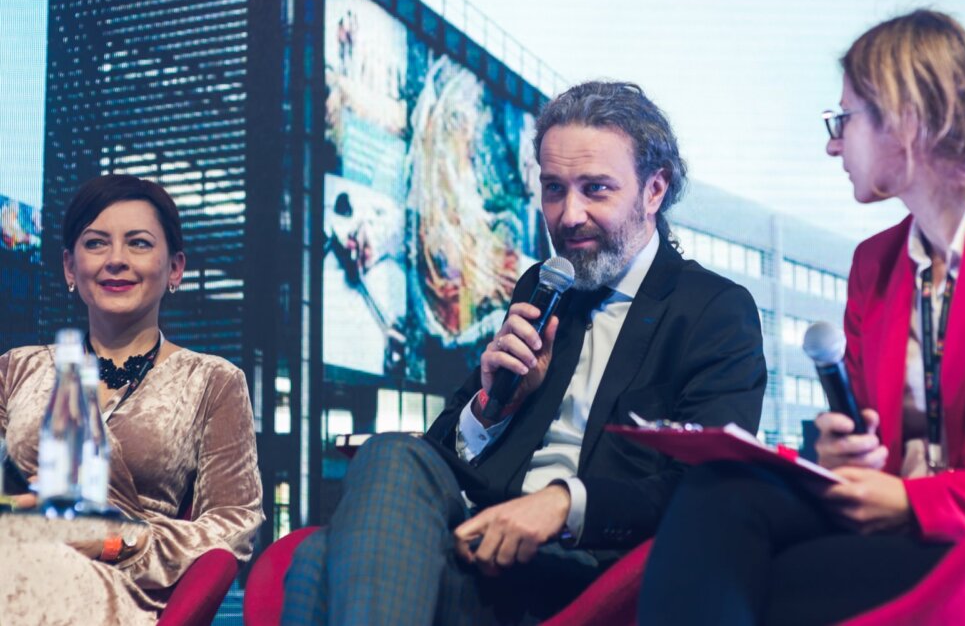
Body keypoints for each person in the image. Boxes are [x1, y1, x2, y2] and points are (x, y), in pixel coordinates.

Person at [638, 8, 965, 626]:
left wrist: (914, 502)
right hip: (896, 533)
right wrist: (839, 449)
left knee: (761, 587)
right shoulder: (874, 264)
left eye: (843, 119)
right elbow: (874, 444)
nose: (831, 143)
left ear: (903, 120)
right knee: (718, 494)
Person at [283, 81, 767, 624]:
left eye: (596, 189)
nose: (568, 215)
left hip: (586, 570)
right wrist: (492, 409)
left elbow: (709, 489)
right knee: (391, 454)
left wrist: (565, 502)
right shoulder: (543, 283)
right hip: (485, 539)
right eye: (554, 189)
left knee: (315, 561)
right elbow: (444, 450)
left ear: (655, 190)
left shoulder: (712, 310)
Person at [0, 174, 264, 625]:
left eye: (138, 244)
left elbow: (234, 524)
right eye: (96, 243)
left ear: (175, 268)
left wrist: (114, 539)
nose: (116, 260)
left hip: (117, 590)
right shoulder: (16, 368)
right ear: (69, 267)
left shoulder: (213, 381)